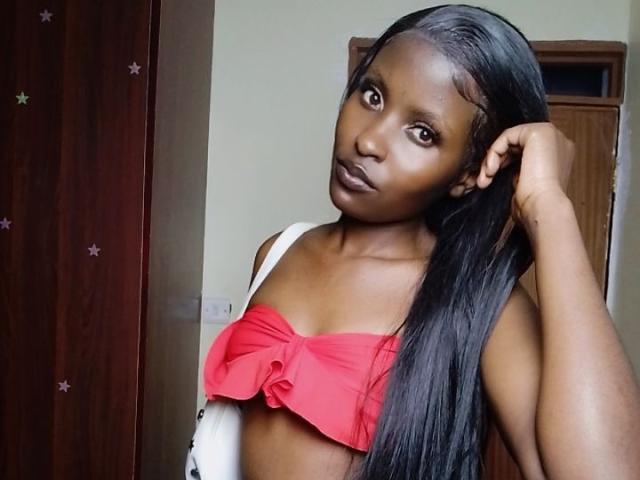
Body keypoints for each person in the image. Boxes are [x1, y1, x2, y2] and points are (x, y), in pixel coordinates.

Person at [199, 4, 640, 479]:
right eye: (372, 95)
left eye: (423, 133)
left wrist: (549, 207)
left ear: (467, 174)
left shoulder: (479, 304)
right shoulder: (279, 251)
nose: (369, 141)